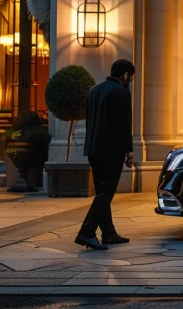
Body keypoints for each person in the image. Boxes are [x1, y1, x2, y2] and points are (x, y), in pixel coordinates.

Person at [75, 59, 135, 250]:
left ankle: (108, 233)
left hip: (93, 150)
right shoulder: (121, 93)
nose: (130, 81)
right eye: (130, 78)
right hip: (111, 152)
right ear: (125, 75)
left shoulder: (94, 91)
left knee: (103, 192)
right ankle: (87, 232)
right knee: (105, 194)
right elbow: (124, 125)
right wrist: (129, 152)